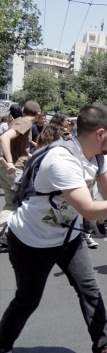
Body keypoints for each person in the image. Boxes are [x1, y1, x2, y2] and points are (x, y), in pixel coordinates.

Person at [0, 104, 107, 353]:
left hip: (68, 237)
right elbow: (89, 210)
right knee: (27, 299)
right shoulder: (61, 160)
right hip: (31, 240)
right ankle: (1, 349)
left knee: (90, 290)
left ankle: (103, 346)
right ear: (100, 133)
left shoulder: (97, 157)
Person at [0, 101, 41, 252]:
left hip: (7, 167)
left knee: (11, 203)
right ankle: (29, 237)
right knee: (29, 199)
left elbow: (19, 147)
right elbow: (4, 138)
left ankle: (5, 236)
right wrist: (10, 162)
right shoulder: (24, 122)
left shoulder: (18, 120)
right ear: (38, 114)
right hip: (13, 168)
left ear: (23, 110)